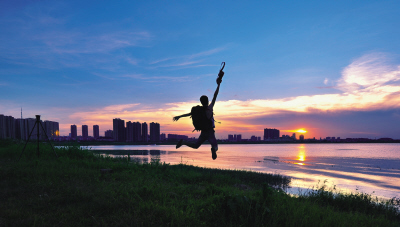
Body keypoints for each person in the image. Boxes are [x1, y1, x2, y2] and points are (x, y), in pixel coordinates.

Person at [173, 71, 223, 160]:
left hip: (203, 132)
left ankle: (183, 142)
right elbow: (215, 95)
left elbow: (189, 114)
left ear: (201, 102)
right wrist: (218, 85)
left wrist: (179, 116)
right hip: (210, 132)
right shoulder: (209, 108)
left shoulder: (198, 110)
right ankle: (213, 150)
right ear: (207, 101)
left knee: (196, 146)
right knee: (215, 147)